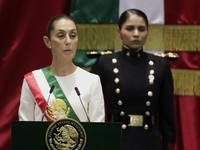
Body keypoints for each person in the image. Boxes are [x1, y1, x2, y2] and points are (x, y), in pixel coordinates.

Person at [90, 9, 176, 150]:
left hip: (150, 141)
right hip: (115, 140)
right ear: (119, 31)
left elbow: (167, 114)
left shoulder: (160, 65)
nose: (136, 34)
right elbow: (91, 108)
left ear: (148, 31)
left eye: (141, 29)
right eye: (130, 28)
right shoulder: (104, 63)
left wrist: (169, 145)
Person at [18, 14, 105, 122]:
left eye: (73, 35)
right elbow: (25, 130)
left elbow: (98, 131)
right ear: (47, 41)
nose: (68, 41)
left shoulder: (92, 81)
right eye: (61, 36)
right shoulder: (33, 81)